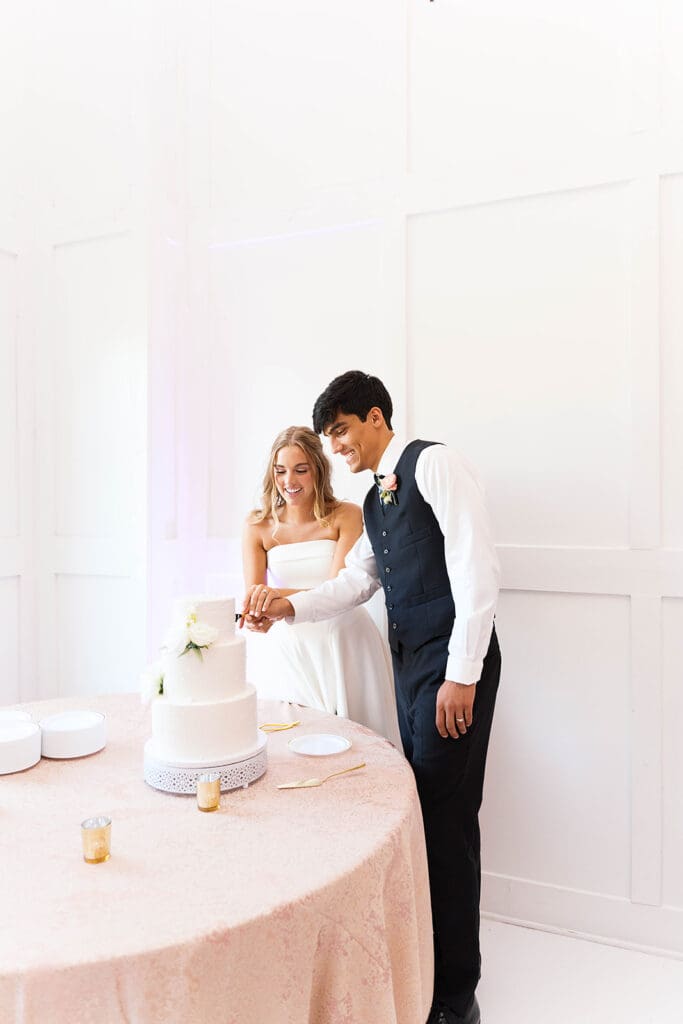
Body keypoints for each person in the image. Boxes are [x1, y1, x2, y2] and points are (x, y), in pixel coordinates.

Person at [242, 374, 501, 1024]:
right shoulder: (375, 499)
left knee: (444, 825)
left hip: (452, 673)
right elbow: (357, 582)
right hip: (410, 670)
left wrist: (461, 673)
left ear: (376, 418)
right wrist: (288, 607)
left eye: (340, 431)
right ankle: (425, 973)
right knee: (421, 815)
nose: (335, 447)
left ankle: (455, 998)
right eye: (328, 435)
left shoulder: (434, 464)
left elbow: (475, 565)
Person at [242, 425, 401, 747]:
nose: (289, 481)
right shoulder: (257, 525)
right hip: (290, 647)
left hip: (343, 639)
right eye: (281, 471)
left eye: (301, 470)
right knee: (296, 741)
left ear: (318, 470)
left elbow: (337, 589)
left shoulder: (347, 515)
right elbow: (254, 596)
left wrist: (272, 600)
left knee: (360, 743)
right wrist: (256, 614)